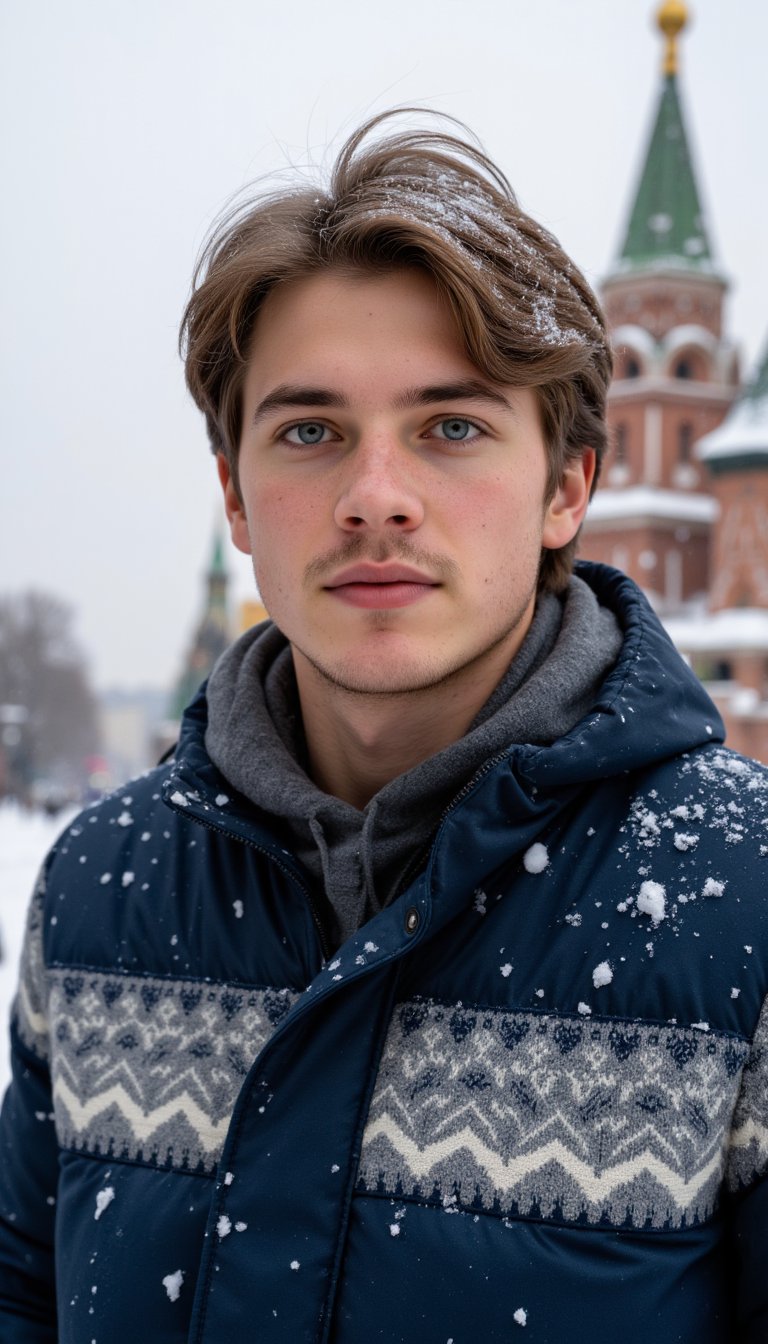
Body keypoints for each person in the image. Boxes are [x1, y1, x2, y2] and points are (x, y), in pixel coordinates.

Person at [1, 110, 766, 1344]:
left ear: (569, 486)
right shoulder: (103, 888)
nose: (375, 500)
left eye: (451, 427)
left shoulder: (748, 902)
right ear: (237, 496)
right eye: (310, 432)